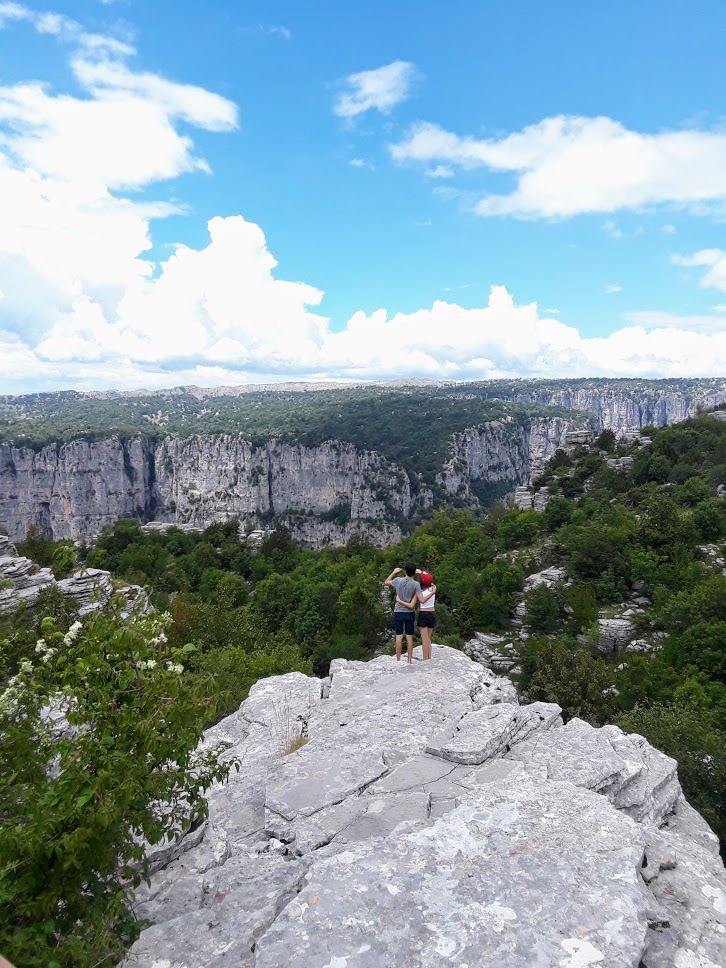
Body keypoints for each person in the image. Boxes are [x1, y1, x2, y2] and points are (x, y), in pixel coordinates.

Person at [384, 562, 421, 663]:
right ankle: (409, 660)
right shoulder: (416, 584)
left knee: (399, 636)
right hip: (409, 612)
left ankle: (398, 660)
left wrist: (394, 572)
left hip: (398, 611)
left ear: (405, 570)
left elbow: (386, 582)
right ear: (414, 572)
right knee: (409, 636)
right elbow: (419, 596)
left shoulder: (398, 580)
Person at [397, 570, 437, 661]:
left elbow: (414, 604)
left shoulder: (419, 591)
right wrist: (421, 572)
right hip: (432, 613)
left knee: (424, 640)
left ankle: (425, 660)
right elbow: (428, 579)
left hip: (423, 614)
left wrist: (399, 601)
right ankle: (429, 658)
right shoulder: (433, 587)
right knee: (428, 639)